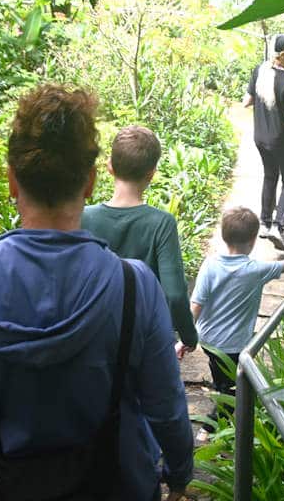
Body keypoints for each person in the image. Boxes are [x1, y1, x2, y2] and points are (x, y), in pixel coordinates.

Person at [0, 85, 192, 501]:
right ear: (89, 182)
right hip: (119, 484)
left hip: (13, 482)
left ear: (12, 180)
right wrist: (178, 472)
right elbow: (166, 405)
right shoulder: (133, 285)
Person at [187, 206, 284, 429]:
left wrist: (185, 338)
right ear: (254, 240)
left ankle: (219, 402)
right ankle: (210, 427)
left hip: (208, 340)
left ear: (224, 237)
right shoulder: (256, 270)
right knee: (232, 389)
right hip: (233, 345)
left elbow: (196, 305)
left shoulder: (210, 264)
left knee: (221, 376)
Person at [82, 125, 198, 356]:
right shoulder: (161, 223)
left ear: (110, 167)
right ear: (152, 173)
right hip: (144, 342)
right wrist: (188, 335)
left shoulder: (84, 217)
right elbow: (174, 294)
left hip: (93, 336)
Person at [243, 33, 284, 252]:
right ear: (283, 54)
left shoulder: (259, 72)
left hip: (261, 138)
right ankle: (279, 226)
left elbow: (246, 101)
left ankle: (264, 223)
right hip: (282, 141)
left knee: (270, 175)